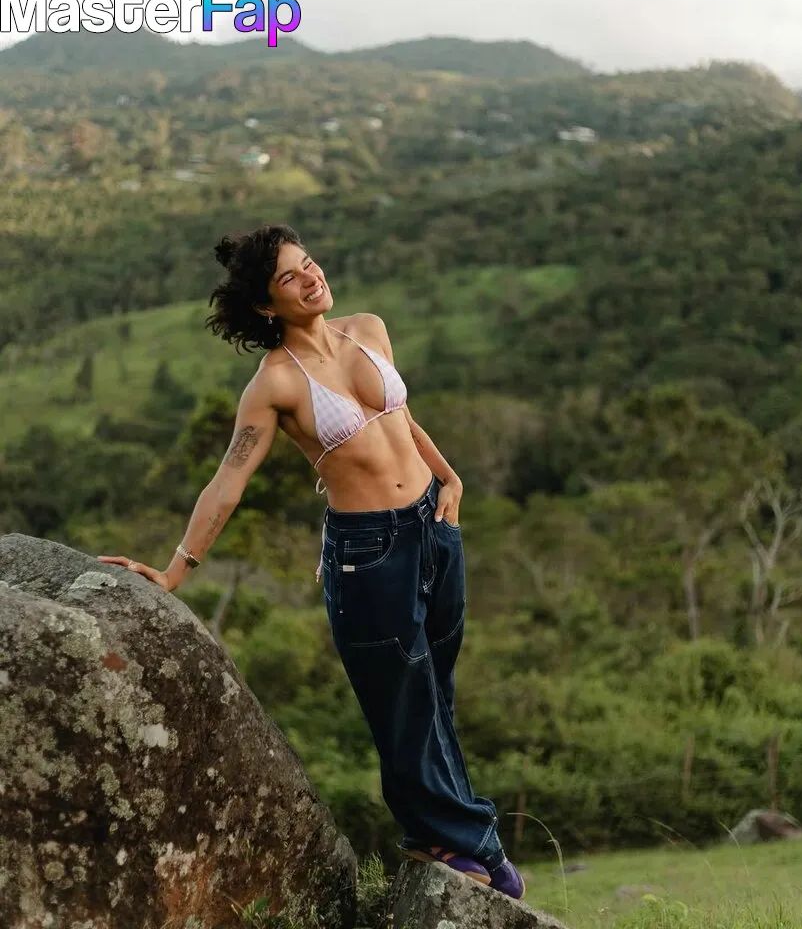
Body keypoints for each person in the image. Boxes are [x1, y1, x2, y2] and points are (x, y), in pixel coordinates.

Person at [98, 223, 525, 900]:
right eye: (289, 277)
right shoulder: (274, 384)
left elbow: (401, 416)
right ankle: (468, 840)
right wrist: (176, 570)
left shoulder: (368, 329)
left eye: (309, 263)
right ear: (265, 305)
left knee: (434, 691)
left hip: (435, 528)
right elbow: (229, 479)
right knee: (402, 702)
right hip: (369, 553)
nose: (310, 277)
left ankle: (444, 835)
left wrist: (450, 476)